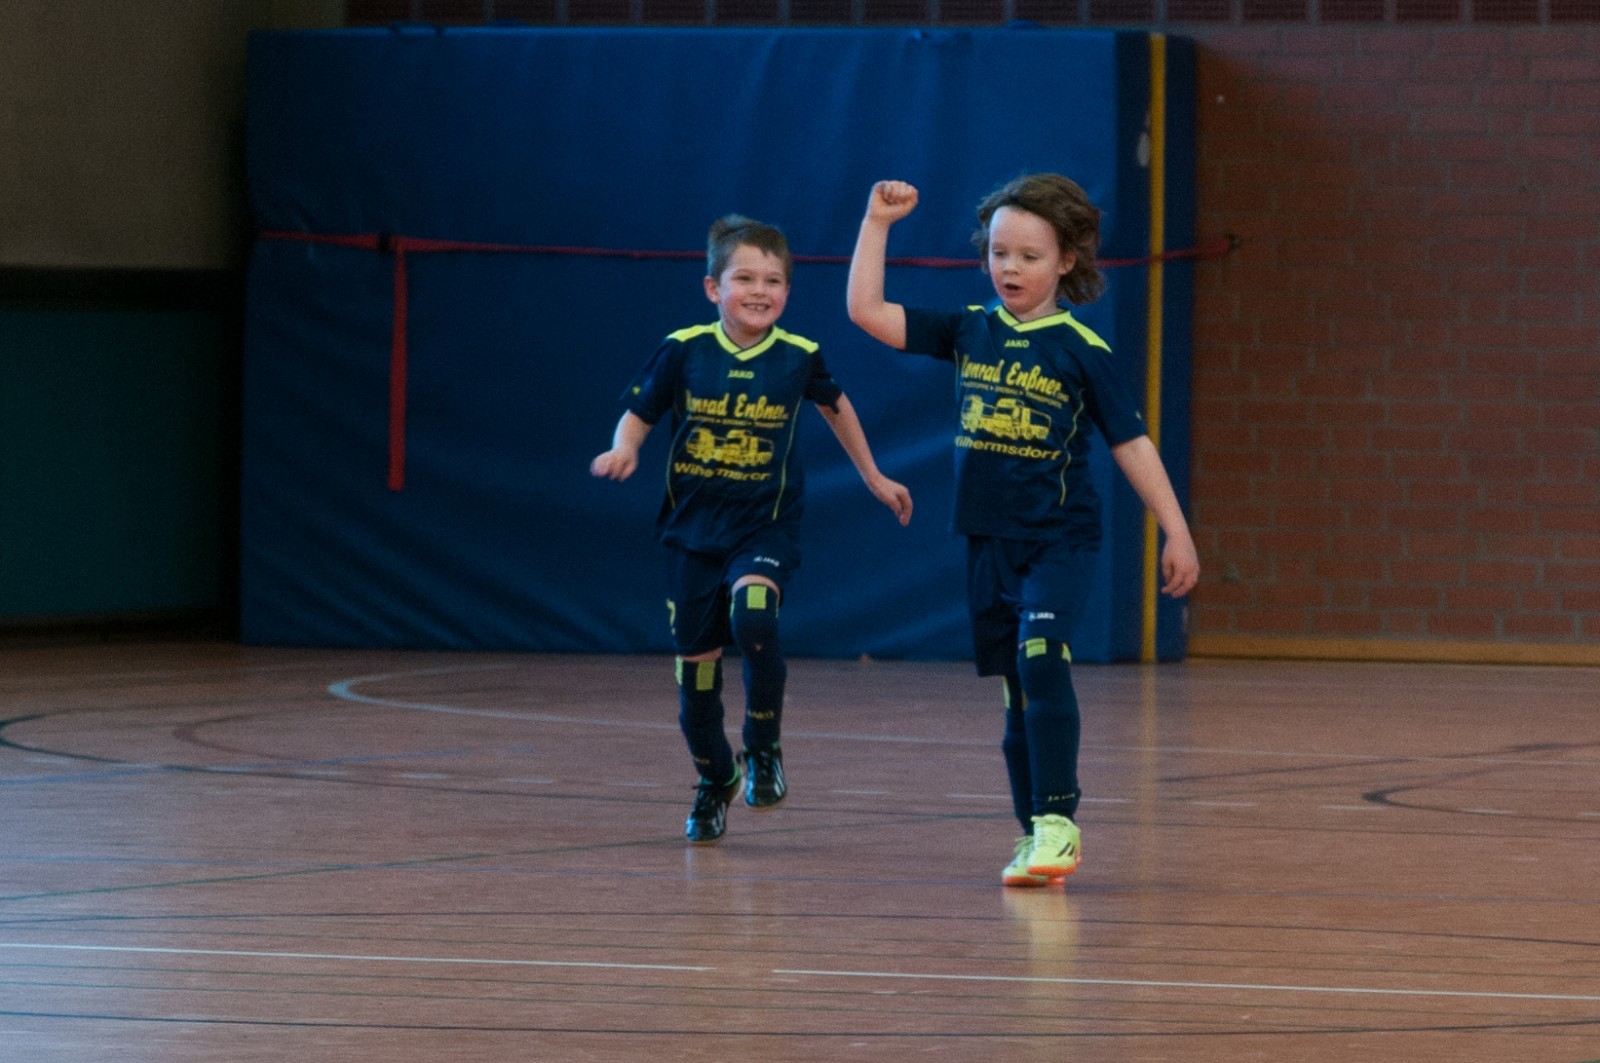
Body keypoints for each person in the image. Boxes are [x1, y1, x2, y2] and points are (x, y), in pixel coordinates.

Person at [846, 176, 1199, 886]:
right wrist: (877, 223)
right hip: (989, 540)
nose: (1010, 268)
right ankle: (1035, 831)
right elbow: (867, 312)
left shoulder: (1080, 348)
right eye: (999, 253)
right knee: (1015, 691)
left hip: (1060, 538)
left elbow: (1131, 443)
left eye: (1029, 256)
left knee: (1041, 658)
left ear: (1066, 261)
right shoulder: (969, 330)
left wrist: (1177, 530)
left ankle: (1061, 823)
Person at [593, 213, 913, 845]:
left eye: (773, 281)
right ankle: (715, 778)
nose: (760, 291)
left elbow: (837, 407)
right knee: (697, 680)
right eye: (745, 279)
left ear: (787, 291)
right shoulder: (685, 349)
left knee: (756, 619)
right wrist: (624, 447)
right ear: (714, 288)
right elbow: (639, 411)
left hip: (763, 527)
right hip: (692, 535)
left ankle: (763, 745)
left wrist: (875, 476)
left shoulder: (798, 357)